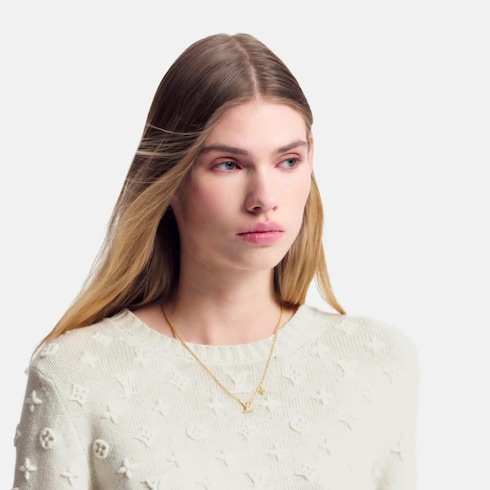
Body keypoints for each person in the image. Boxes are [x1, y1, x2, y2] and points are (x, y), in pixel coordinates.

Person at [11, 32, 419, 489]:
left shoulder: (378, 360)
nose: (264, 198)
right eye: (229, 164)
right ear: (172, 177)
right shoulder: (76, 374)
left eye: (288, 161)